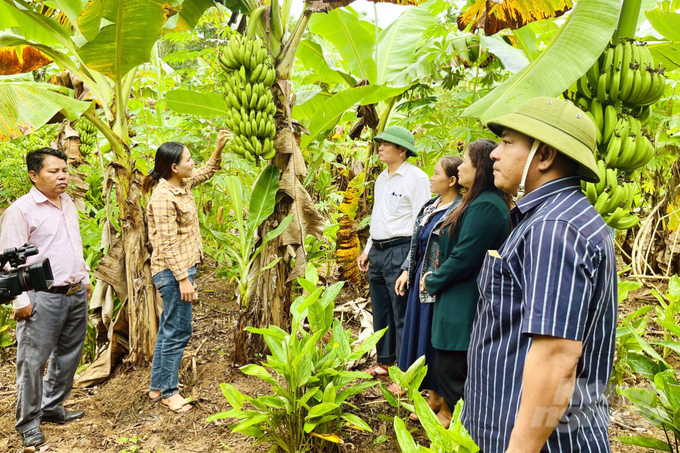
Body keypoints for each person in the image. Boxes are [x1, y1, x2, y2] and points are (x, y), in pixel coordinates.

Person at [462, 97, 617, 453]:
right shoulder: (552, 217)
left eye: (507, 142)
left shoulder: (554, 228)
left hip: (542, 443)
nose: (494, 154)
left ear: (544, 156)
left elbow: (556, 356)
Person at [0, 148, 92, 447]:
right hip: (42, 296)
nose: (63, 176)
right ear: (34, 175)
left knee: (68, 356)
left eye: (64, 170)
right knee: (33, 361)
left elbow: (72, 244)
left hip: (74, 292)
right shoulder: (21, 210)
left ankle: (51, 406)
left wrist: (85, 277)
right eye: (54, 171)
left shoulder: (67, 202)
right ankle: (28, 421)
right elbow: (9, 263)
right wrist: (20, 300)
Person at [420, 140, 511, 427]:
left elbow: (464, 257)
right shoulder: (477, 202)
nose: (459, 167)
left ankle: (470, 433)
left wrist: (432, 279)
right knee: (449, 370)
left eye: (465, 162)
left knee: (454, 373)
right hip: (455, 300)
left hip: (464, 303)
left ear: (479, 167)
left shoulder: (486, 206)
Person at [142, 130, 230, 413]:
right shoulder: (163, 198)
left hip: (178, 270)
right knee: (179, 331)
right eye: (188, 159)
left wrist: (217, 150)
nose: (193, 163)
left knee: (169, 329)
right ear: (174, 167)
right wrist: (183, 280)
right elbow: (166, 244)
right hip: (172, 272)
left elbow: (205, 172)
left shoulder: (180, 184)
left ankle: (157, 387)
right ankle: (170, 392)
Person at [357, 126, 430, 377]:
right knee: (381, 308)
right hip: (378, 250)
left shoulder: (416, 178)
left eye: (387, 144)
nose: (380, 147)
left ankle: (404, 369)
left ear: (402, 150)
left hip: (401, 249)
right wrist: (368, 249)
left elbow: (422, 222)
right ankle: (385, 361)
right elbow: (378, 215)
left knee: (401, 311)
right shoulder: (382, 178)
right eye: (380, 143)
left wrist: (410, 263)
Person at [393, 156, 464, 415]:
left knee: (435, 341)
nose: (431, 178)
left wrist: (433, 278)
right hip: (420, 281)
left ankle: (444, 401)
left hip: (437, 285)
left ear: (452, 180)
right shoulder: (431, 205)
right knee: (421, 337)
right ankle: (432, 397)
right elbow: (417, 244)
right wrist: (406, 270)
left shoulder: (458, 210)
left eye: (436, 173)